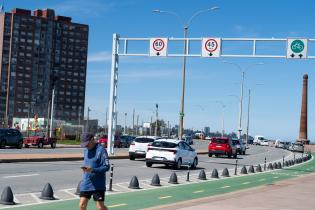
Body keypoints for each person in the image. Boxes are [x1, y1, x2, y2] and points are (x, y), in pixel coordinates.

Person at [79, 133, 110, 210]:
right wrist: (85, 170)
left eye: (87, 144)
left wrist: (93, 170)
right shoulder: (86, 150)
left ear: (92, 140)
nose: (86, 146)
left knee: (100, 207)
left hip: (98, 184)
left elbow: (106, 167)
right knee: (82, 205)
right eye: (84, 144)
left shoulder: (101, 150)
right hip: (87, 182)